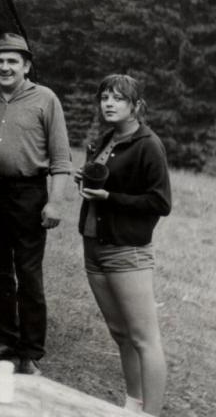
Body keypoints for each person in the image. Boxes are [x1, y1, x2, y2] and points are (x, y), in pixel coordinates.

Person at [0, 32, 72, 375]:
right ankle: (6, 339)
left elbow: (61, 159)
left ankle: (30, 352)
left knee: (27, 273)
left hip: (28, 193)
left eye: (12, 61)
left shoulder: (46, 99)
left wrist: (54, 203)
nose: (4, 67)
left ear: (26, 66)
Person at [76, 74, 171, 415]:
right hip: (95, 245)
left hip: (126, 251)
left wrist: (109, 197)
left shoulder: (148, 144)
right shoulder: (107, 139)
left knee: (144, 338)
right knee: (120, 333)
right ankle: (133, 404)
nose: (109, 104)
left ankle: (152, 412)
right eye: (104, 98)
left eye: (118, 98)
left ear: (136, 106)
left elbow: (160, 203)